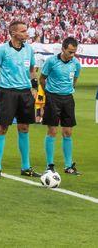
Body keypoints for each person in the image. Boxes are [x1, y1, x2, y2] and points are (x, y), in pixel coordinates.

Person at [0, 21, 40, 178]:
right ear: (13, 33)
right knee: (3, 128)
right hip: (8, 93)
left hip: (25, 94)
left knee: (24, 128)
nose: (27, 33)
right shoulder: (2, 50)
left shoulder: (29, 49)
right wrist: (0, 90)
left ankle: (25, 167)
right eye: (23, 31)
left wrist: (34, 86)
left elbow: (32, 69)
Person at [41, 37, 81, 175]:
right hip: (53, 98)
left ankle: (68, 166)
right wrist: (48, 92)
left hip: (68, 99)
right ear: (63, 49)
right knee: (52, 131)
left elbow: (75, 79)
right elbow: (42, 78)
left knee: (68, 132)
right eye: (70, 52)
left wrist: (69, 89)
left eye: (74, 52)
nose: (72, 55)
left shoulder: (76, 63)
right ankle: (50, 165)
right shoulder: (51, 61)